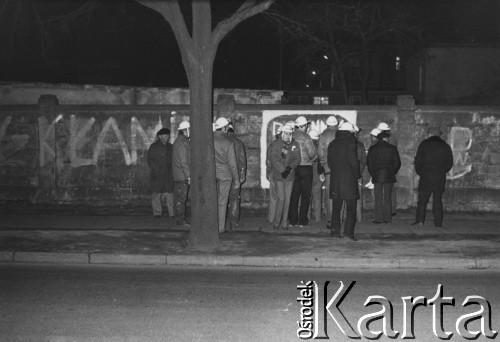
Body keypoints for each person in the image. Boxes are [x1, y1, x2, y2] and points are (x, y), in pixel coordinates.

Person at [412, 127, 454, 227]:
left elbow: (418, 161)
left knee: (422, 200)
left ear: (430, 134)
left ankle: (420, 221)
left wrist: (421, 172)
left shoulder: (424, 145)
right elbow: (449, 163)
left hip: (426, 175)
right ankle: (438, 222)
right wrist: (443, 171)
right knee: (437, 200)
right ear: (439, 135)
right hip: (439, 176)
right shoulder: (445, 146)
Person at [327, 122, 360, 241]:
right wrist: (357, 174)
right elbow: (353, 161)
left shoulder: (332, 143)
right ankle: (348, 233)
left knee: (336, 208)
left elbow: (329, 162)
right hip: (349, 180)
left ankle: (335, 232)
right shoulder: (351, 143)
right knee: (351, 208)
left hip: (336, 179)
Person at [268, 123, 301, 230]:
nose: (288, 136)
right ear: (282, 133)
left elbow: (297, 158)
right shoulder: (276, 144)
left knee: (287, 200)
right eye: (286, 133)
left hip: (290, 176)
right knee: (281, 199)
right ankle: (277, 221)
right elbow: (274, 158)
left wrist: (289, 168)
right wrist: (283, 170)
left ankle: (284, 222)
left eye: (290, 134)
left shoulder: (294, 144)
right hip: (279, 176)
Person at [367, 130, 401, 224]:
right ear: (385, 138)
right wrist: (392, 172)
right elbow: (397, 162)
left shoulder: (372, 148)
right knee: (387, 197)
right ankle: (387, 218)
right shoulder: (392, 148)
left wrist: (373, 173)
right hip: (389, 175)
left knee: (378, 197)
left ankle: (378, 219)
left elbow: (369, 163)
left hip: (377, 175)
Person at [288, 116, 317, 227]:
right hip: (306, 168)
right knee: (305, 196)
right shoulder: (306, 137)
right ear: (303, 126)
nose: (307, 127)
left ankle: (292, 220)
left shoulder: (291, 136)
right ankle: (302, 221)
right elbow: (312, 153)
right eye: (306, 125)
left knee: (294, 195)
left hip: (293, 168)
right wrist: (314, 159)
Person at [213, 117, 240, 234]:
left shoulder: (208, 139)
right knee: (222, 201)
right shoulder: (228, 142)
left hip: (211, 173)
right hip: (225, 175)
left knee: (212, 200)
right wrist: (237, 179)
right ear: (224, 128)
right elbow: (233, 164)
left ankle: (211, 226)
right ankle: (220, 228)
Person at [147, 128, 174, 218]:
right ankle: (157, 213)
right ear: (160, 136)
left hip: (168, 175)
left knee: (169, 194)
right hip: (157, 175)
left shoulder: (170, 147)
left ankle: (172, 213)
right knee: (156, 194)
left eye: (168, 136)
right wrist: (158, 169)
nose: (167, 137)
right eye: (165, 136)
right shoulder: (154, 147)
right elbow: (150, 160)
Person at [318, 115, 338, 228]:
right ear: (337, 124)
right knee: (340, 194)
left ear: (327, 124)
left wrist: (324, 166)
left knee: (330, 195)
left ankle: (331, 220)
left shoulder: (323, 136)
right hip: (341, 170)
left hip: (329, 170)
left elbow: (321, 154)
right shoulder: (342, 134)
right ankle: (340, 218)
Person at [226, 122, 247, 230]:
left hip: (222, 176)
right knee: (234, 199)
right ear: (233, 131)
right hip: (236, 175)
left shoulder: (219, 142)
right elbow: (242, 161)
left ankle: (220, 221)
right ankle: (233, 222)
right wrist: (242, 175)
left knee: (222, 199)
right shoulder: (238, 143)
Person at [172, 121, 190, 226]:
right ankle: (180, 220)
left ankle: (178, 218)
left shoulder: (178, 141)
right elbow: (184, 162)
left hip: (178, 174)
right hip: (182, 175)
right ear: (185, 130)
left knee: (178, 198)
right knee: (181, 198)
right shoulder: (183, 143)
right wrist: (189, 176)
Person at [308, 129, 325, 224]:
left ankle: (307, 217)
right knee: (317, 197)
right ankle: (318, 218)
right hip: (318, 174)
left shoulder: (306, 147)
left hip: (308, 174)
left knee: (307, 197)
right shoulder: (320, 147)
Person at [353, 125, 367, 222]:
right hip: (357, 174)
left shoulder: (345, 144)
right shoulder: (360, 145)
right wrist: (359, 170)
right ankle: (359, 217)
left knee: (346, 197)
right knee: (358, 196)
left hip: (347, 175)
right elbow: (363, 160)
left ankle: (345, 217)